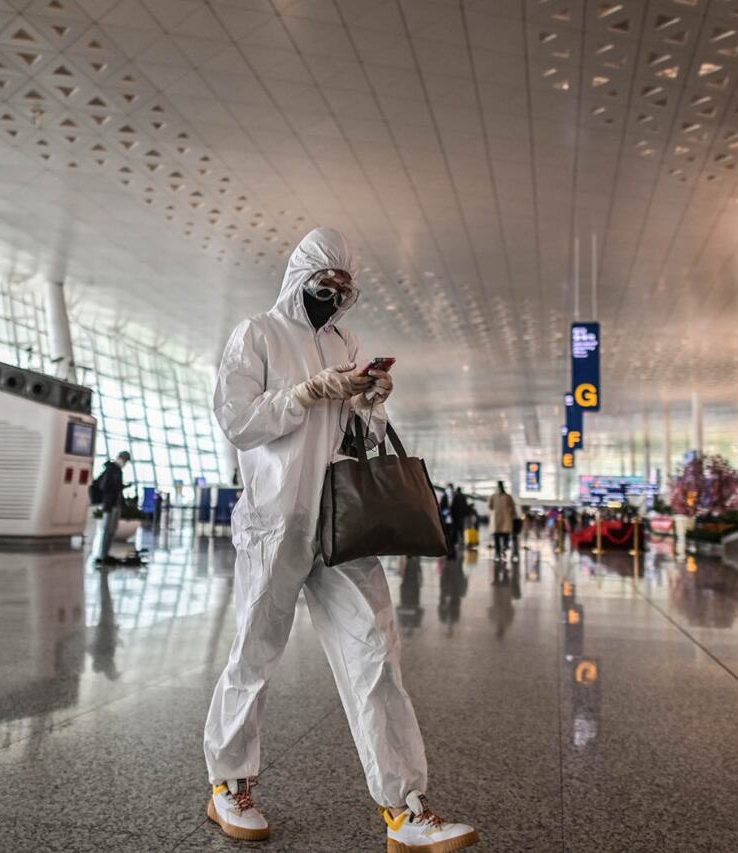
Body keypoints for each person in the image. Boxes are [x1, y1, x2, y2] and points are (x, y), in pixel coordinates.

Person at [202, 228, 477, 851]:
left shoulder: (344, 340)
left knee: (376, 655)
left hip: (342, 522)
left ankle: (406, 807)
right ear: (301, 278)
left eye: (345, 288)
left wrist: (371, 402)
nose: (335, 296)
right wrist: (303, 394)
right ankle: (229, 784)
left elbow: (356, 434)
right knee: (254, 653)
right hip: (277, 521)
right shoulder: (257, 334)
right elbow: (237, 422)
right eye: (327, 284)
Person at [96, 451, 129, 564]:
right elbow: (105, 486)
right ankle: (103, 555)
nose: (125, 463)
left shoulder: (117, 471)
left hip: (115, 505)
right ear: (120, 458)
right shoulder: (111, 470)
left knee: (111, 531)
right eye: (125, 461)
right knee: (107, 530)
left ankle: (105, 554)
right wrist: (118, 487)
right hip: (110, 505)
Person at [488, 481, 516, 561]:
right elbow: (513, 508)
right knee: (506, 535)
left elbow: (490, 506)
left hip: (496, 520)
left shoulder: (493, 496)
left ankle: (497, 553)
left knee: (496, 537)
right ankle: (504, 547)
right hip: (506, 519)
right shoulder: (508, 497)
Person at [448, 487, 470, 559]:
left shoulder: (455, 497)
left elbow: (453, 507)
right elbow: (466, 506)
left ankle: (456, 542)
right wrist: (466, 514)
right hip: (461, 516)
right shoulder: (463, 497)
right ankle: (462, 542)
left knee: (455, 530)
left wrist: (451, 515)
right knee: (461, 529)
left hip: (455, 517)